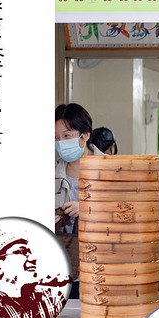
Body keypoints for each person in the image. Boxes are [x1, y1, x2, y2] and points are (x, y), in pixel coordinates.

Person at [55, 103, 105, 275]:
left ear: (85, 135)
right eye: (56, 138)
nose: (60, 143)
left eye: (67, 135)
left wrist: (86, 209)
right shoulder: (49, 174)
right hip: (62, 267)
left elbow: (124, 212)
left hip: (102, 265)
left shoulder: (111, 169)